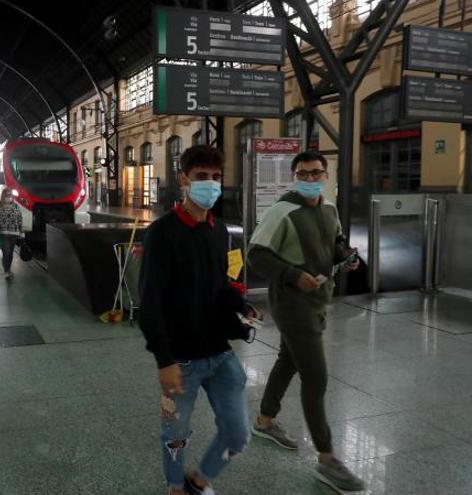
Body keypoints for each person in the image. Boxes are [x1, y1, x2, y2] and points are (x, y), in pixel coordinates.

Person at [139, 145, 257, 495]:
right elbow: (150, 302)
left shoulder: (218, 230)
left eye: (216, 177)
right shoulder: (161, 233)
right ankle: (176, 488)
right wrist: (164, 359)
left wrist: (242, 305)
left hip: (221, 355)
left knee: (238, 434)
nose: (211, 183)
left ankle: (199, 481)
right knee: (175, 436)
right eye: (202, 177)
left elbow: (219, 283)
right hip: (181, 362)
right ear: (184, 180)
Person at [247, 151, 364, 493]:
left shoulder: (328, 208)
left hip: (318, 299)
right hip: (293, 304)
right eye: (303, 173)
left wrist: (345, 255)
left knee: (288, 360)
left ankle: (265, 420)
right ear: (293, 176)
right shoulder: (282, 211)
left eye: (316, 173)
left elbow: (337, 241)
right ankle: (327, 460)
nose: (310, 179)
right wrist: (292, 275)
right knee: (316, 376)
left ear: (326, 175)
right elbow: (257, 253)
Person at [0, 188, 23, 279]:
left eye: (10, 195)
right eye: (7, 195)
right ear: (3, 195)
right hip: (3, 234)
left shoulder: (16, 206)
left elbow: (20, 219)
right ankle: (6, 271)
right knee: (6, 252)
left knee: (10, 253)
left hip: (14, 234)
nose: (9, 197)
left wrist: (21, 232)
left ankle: (8, 269)